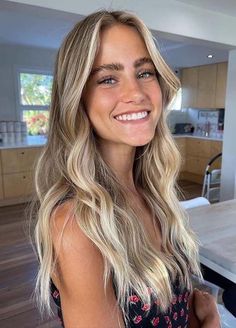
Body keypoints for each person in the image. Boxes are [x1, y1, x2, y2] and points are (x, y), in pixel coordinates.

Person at [33, 10, 220, 328]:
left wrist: (200, 313)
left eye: (145, 73)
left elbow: (173, 308)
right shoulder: (77, 224)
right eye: (107, 79)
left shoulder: (152, 194)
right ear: (76, 98)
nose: (135, 93)